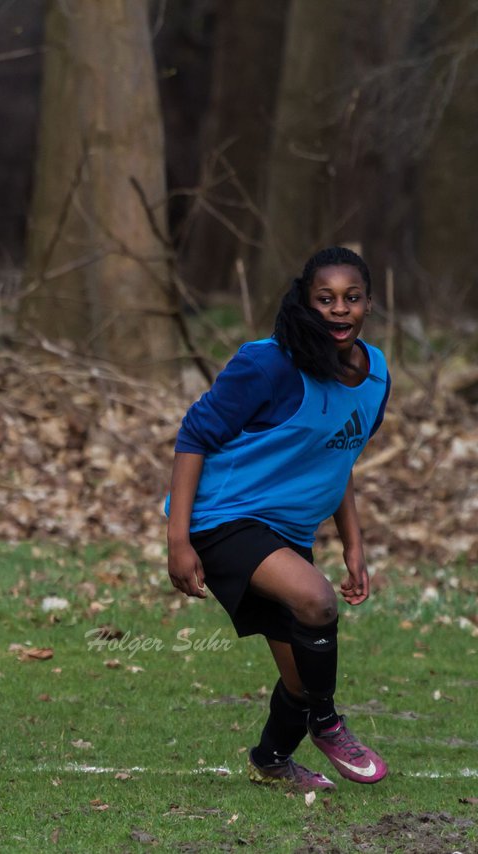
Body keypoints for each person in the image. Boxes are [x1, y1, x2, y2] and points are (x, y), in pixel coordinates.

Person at [166, 246, 391, 792]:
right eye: (325, 299)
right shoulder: (268, 363)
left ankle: (271, 760)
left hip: (285, 532)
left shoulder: (376, 373)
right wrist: (177, 539)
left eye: (352, 298)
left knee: (298, 676)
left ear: (368, 304)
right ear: (305, 301)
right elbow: (194, 435)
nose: (339, 310)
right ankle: (328, 723)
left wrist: (353, 544)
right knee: (316, 601)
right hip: (222, 517)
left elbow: (339, 456)